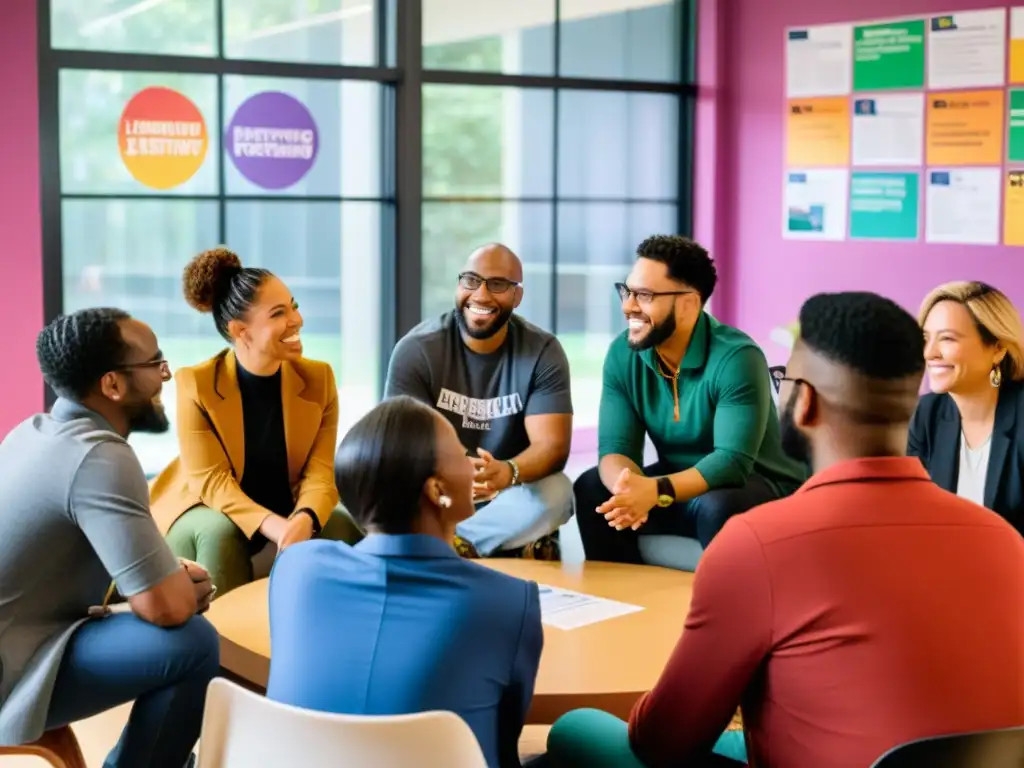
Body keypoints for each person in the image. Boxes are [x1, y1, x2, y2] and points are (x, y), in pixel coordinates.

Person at [547, 292, 1024, 768]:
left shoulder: (759, 543)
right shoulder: (1004, 540)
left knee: (576, 729)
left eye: (785, 379)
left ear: (806, 402)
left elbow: (662, 741)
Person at [267, 395, 543, 768]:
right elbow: (502, 735)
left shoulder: (295, 567)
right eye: (462, 454)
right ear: (437, 491)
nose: (472, 463)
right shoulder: (508, 601)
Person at [0, 308, 220, 768]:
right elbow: (166, 607)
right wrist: (172, 587)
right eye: (155, 363)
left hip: (20, 636)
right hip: (10, 671)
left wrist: (161, 578)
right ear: (112, 385)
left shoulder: (34, 432)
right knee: (193, 644)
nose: (166, 373)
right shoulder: (100, 457)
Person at [574, 235, 806, 564]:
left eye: (644, 295)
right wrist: (626, 490)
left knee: (719, 506)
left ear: (689, 304)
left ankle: (727, 609)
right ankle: (619, 603)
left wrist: (653, 491)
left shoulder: (738, 357)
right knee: (592, 487)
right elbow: (615, 450)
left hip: (757, 485)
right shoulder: (622, 354)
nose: (628, 306)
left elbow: (730, 464)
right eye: (626, 291)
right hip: (678, 483)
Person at [149, 248, 361, 595]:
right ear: (240, 330)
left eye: (294, 306)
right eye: (279, 313)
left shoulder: (319, 378)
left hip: (288, 502)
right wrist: (280, 529)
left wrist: (304, 518)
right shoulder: (196, 383)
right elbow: (213, 482)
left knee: (340, 525)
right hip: (206, 504)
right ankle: (222, 646)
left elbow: (321, 471)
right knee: (221, 532)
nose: (297, 320)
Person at [384, 243, 574, 559]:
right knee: (385, 485)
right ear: (460, 285)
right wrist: (447, 476)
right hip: (436, 491)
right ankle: (481, 542)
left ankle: (453, 545)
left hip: (509, 495)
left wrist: (508, 471)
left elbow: (552, 447)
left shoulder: (543, 352)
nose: (481, 295)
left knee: (559, 493)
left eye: (497, 284)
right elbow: (399, 445)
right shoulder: (417, 349)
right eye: (471, 280)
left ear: (517, 296)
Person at [911, 281, 1024, 536]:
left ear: (998, 349)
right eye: (925, 339)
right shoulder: (925, 414)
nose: (930, 353)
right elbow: (911, 513)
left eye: (947, 339)